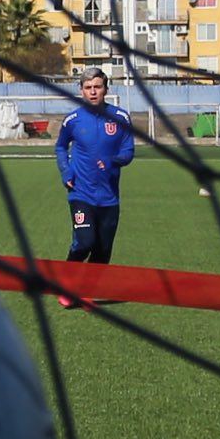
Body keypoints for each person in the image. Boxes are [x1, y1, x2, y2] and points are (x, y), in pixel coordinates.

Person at [53, 67, 134, 308]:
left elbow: (128, 152)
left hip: (109, 196)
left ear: (106, 89)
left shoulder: (121, 117)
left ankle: (85, 290)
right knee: (84, 242)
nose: (93, 92)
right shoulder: (73, 120)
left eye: (97, 87)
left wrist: (112, 161)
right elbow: (60, 148)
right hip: (80, 193)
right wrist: (66, 171)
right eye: (88, 88)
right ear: (81, 91)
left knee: (103, 250)